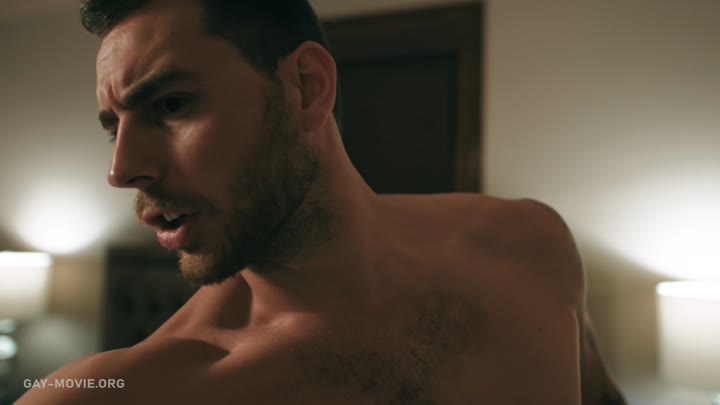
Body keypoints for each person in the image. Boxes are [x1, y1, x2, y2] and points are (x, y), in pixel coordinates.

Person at [19, 0, 627, 403]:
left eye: (171, 104)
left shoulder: (528, 246)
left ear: (307, 88)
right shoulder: (122, 394)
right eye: (113, 127)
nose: (122, 170)